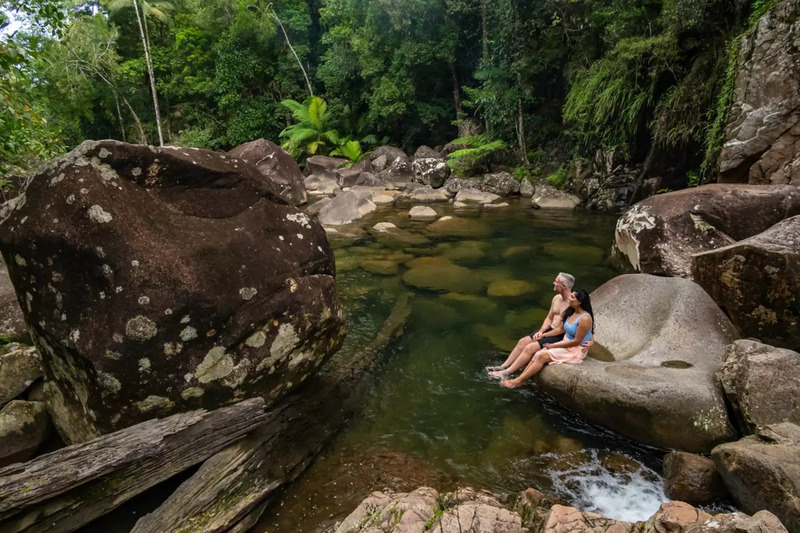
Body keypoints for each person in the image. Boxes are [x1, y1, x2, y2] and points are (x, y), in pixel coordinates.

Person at [500, 288, 594, 389]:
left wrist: (554, 345)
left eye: (572, 297)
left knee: (542, 356)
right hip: (566, 343)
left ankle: (519, 381)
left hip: (575, 349)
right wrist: (544, 334)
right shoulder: (571, 311)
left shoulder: (585, 319)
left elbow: (576, 342)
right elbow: (560, 330)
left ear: (579, 302)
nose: (569, 299)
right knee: (537, 353)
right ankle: (521, 379)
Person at [486, 272, 575, 378]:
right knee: (523, 341)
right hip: (549, 330)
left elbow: (563, 329)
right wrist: (541, 331)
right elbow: (549, 318)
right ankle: (503, 366)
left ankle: (507, 372)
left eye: (556, 282)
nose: (553, 283)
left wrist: (545, 335)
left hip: (560, 335)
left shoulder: (573, 303)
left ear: (563, 286)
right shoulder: (556, 298)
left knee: (530, 347)